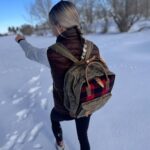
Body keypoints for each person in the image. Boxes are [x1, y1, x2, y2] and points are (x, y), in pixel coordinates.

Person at [15, 1, 101, 150]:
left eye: (51, 25)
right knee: (83, 136)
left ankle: (60, 144)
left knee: (54, 118)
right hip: (87, 104)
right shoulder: (93, 47)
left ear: (59, 26)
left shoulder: (52, 53)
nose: (51, 28)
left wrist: (21, 40)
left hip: (65, 108)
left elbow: (31, 53)